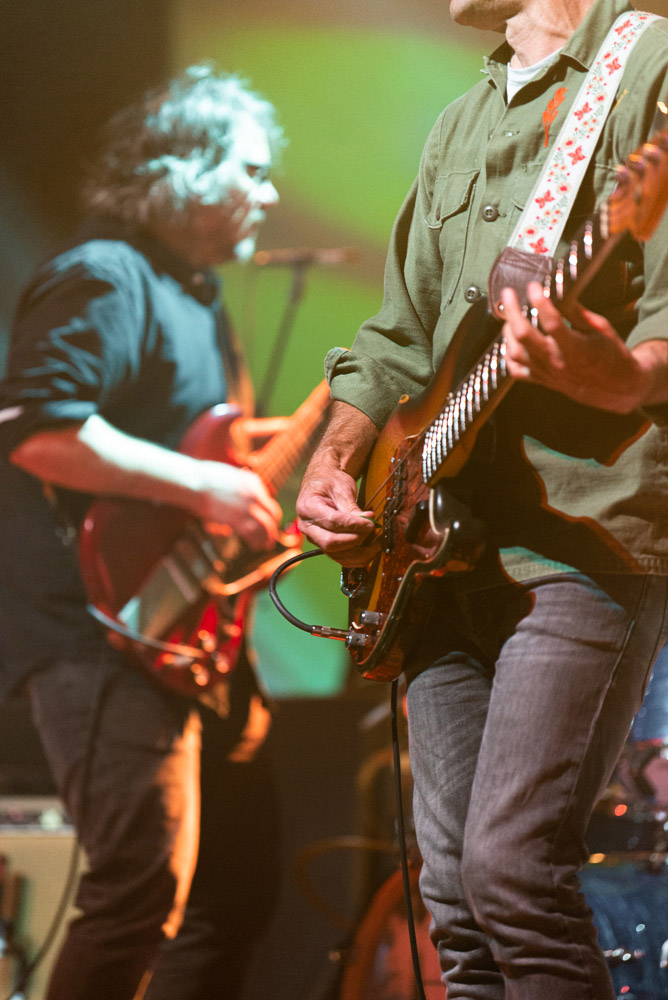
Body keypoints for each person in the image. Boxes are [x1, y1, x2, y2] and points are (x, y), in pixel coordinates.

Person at [296, 1, 668, 997]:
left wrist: (626, 379)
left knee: (512, 873)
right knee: (456, 903)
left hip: (582, 535)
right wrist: (336, 459)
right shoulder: (461, 119)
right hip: (434, 550)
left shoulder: (649, 64)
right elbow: (398, 338)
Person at [0, 65, 286, 1000]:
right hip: (99, 635)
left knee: (231, 891)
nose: (269, 194)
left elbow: (193, 445)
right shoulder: (104, 274)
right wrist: (207, 484)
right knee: (138, 891)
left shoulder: (194, 293)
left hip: (183, 637)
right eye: (252, 170)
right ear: (185, 170)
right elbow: (41, 432)